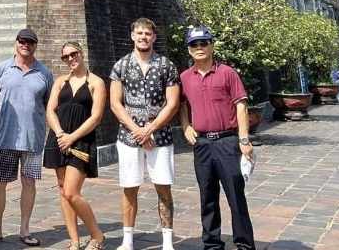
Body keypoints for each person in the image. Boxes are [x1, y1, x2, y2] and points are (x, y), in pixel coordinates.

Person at [179, 26, 256, 250]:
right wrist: (185, 126)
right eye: (194, 44)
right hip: (201, 144)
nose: (199, 48)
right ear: (189, 50)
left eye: (204, 43)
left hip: (227, 142)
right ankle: (212, 244)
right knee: (207, 197)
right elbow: (181, 104)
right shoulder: (184, 77)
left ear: (212, 45)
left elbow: (240, 105)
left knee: (235, 196)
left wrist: (244, 140)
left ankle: (244, 244)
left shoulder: (227, 73)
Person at [0, 28, 53, 247]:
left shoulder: (44, 73)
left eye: (30, 42)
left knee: (29, 183)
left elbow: (49, 104)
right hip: (5, 137)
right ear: (16, 43)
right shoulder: (2, 69)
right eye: (22, 41)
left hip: (32, 139)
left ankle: (25, 229)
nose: (25, 45)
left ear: (35, 45)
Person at [109, 18, 180, 250]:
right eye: (139, 33)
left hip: (160, 137)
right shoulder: (120, 66)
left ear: (154, 37)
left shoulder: (166, 66)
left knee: (163, 187)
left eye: (147, 33)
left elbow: (172, 104)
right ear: (132, 36)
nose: (143, 37)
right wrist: (137, 131)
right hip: (129, 137)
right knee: (129, 188)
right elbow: (115, 104)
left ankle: (167, 242)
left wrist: (149, 129)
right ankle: (127, 240)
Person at [44, 41, 107, 250]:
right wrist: (61, 134)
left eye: (73, 54)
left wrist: (72, 137)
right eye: (66, 57)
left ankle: (97, 235)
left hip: (81, 140)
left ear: (81, 53)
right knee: (63, 190)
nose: (70, 59)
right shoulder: (60, 82)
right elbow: (51, 110)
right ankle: (74, 241)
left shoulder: (96, 82)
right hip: (58, 138)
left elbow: (96, 117)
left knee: (72, 191)